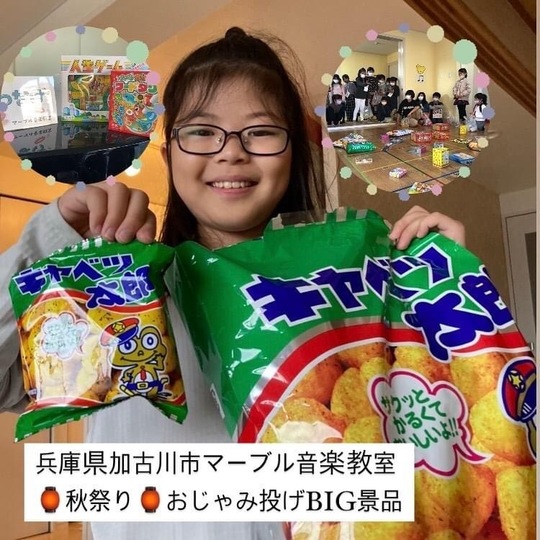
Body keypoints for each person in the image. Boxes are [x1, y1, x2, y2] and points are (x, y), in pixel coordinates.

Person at [0, 27, 465, 540]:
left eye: (260, 131)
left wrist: (443, 289)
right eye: (202, 131)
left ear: (293, 155)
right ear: (169, 156)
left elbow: (435, 448)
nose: (231, 153)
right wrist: (48, 239)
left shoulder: (352, 292)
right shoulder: (117, 295)